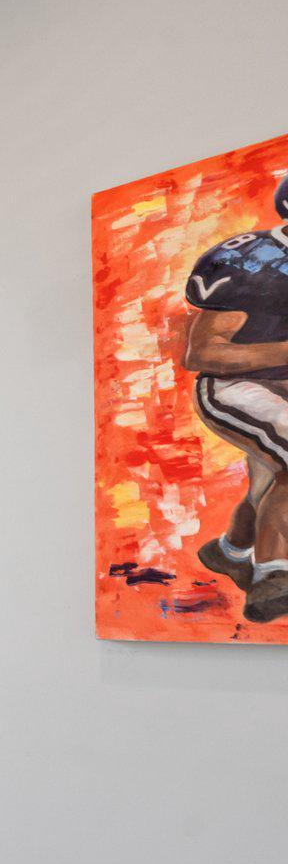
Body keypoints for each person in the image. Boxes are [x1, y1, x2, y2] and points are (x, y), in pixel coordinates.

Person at [182, 172, 288, 622]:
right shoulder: (254, 260)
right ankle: (273, 578)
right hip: (235, 388)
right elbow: (203, 352)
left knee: (268, 480)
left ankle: (232, 551)